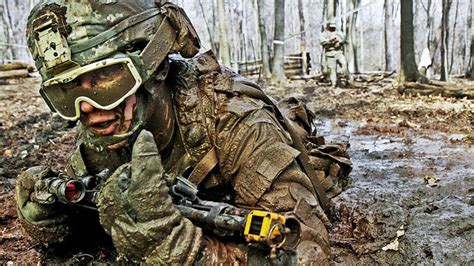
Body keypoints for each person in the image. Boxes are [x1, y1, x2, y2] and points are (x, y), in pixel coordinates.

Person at [16, 1, 350, 264]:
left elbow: (306, 253)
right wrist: (48, 222)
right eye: (68, 90)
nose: (85, 107)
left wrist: (189, 254)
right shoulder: (104, 127)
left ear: (155, 66)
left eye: (105, 79)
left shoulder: (233, 118)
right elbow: (89, 234)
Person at [320, 22, 352, 87]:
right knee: (332, 70)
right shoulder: (324, 34)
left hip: (338, 52)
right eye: (331, 27)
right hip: (330, 54)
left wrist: (340, 41)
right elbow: (322, 42)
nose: (332, 28)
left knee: (344, 64)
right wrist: (329, 41)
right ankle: (333, 83)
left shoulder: (339, 33)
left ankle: (349, 79)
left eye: (334, 27)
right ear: (328, 27)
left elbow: (345, 40)